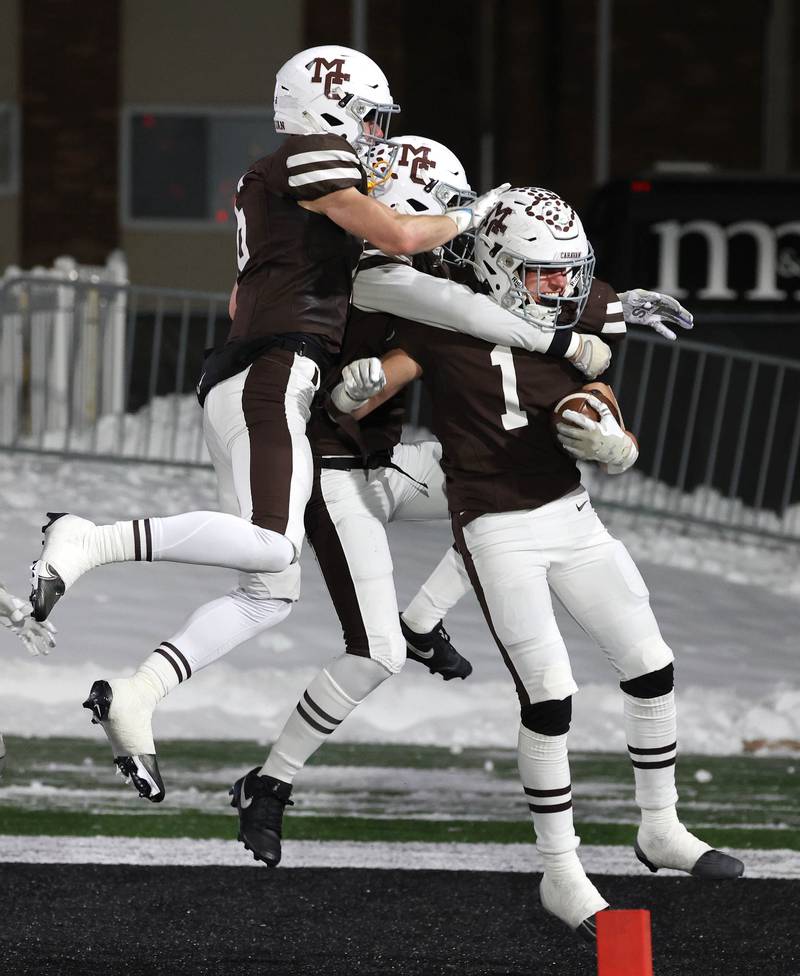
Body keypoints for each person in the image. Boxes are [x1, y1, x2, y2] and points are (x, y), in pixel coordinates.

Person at [24, 46, 508, 798]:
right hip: (273, 372)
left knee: (267, 592)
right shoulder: (309, 157)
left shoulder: (294, 204)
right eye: (368, 118)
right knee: (273, 541)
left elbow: (248, 293)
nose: (375, 137)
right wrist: (472, 216)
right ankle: (88, 539)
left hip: (254, 376)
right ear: (325, 109)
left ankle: (138, 695)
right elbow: (402, 237)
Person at [225, 143, 690, 870]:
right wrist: (588, 331)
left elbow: (491, 294)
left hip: (384, 457)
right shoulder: (365, 270)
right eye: (441, 212)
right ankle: (272, 782)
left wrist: (606, 308)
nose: (455, 227)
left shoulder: (433, 264)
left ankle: (423, 619)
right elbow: (469, 316)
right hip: (333, 464)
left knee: (509, 484)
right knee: (374, 652)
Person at [328, 187, 743, 942]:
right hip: (495, 524)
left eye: (569, 273)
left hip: (570, 512)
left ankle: (661, 827)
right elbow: (380, 370)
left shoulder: (577, 304)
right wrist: (355, 392)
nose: (561, 288)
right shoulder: (441, 312)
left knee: (650, 662)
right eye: (544, 274)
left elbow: (595, 388)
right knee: (549, 694)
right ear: (495, 265)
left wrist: (618, 440)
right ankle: (560, 870)